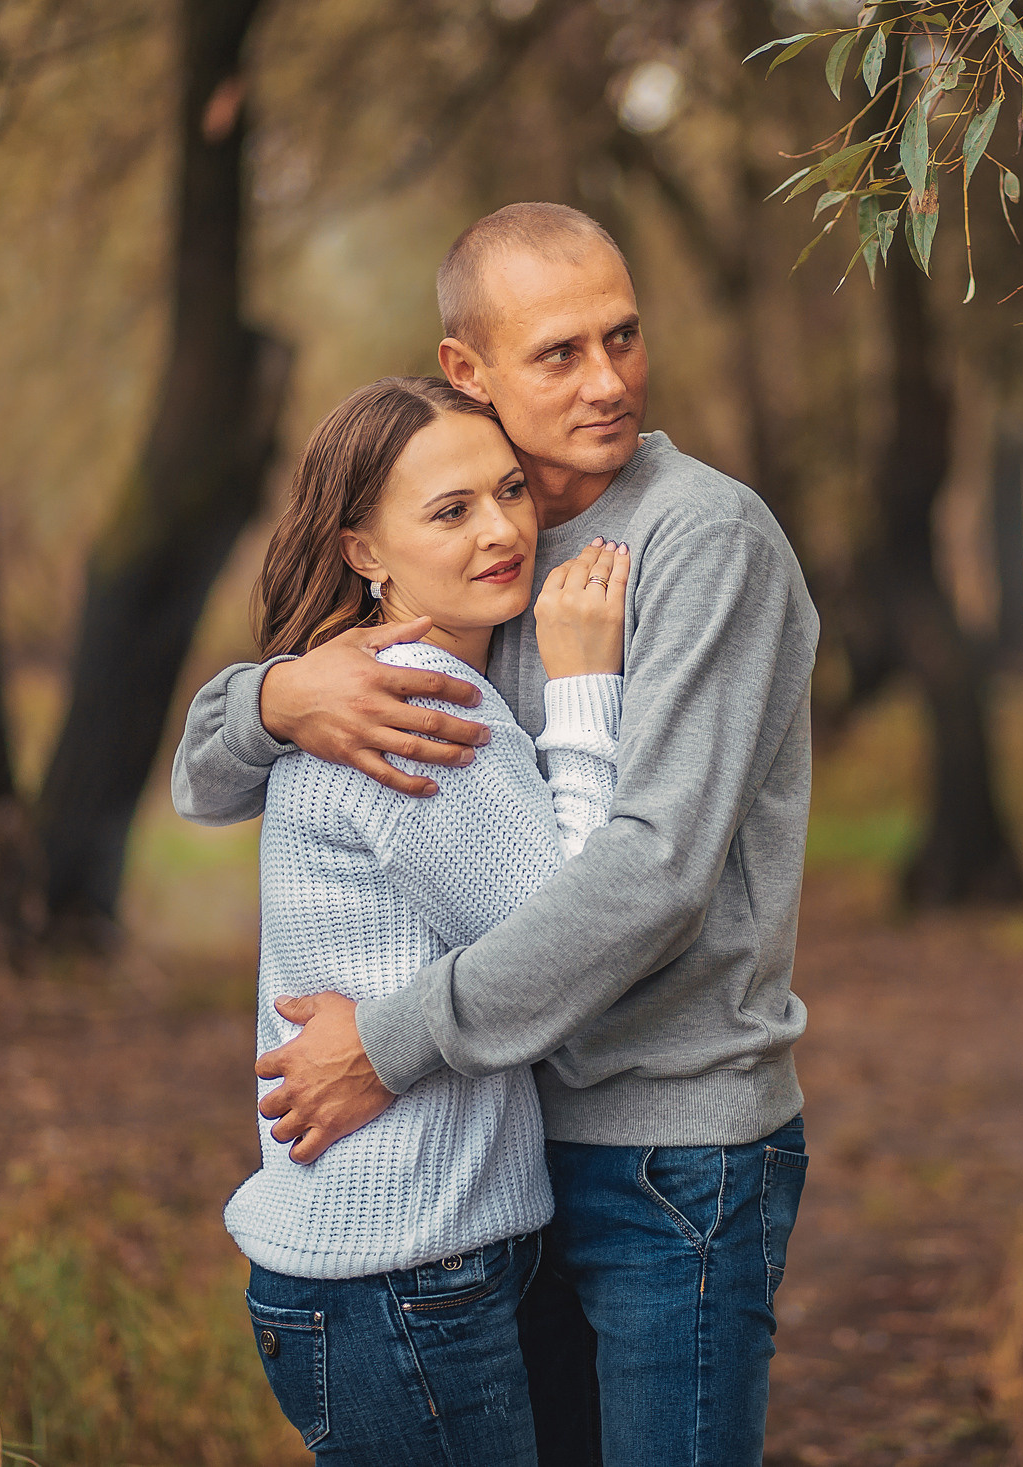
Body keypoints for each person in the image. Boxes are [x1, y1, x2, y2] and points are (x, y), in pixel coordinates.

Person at [172, 201, 818, 1465]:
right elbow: (207, 781)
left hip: (667, 1147)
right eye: (559, 353)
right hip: (506, 1161)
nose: (607, 381)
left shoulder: (703, 540)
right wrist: (278, 695)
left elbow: (651, 877)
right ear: (466, 368)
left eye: (622, 336)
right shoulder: (469, 540)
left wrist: (391, 1046)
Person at [227, 372, 633, 1464]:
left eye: (510, 491)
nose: (501, 530)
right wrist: (584, 690)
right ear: (364, 549)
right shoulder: (416, 704)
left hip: (406, 1267)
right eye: (451, 511)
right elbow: (571, 942)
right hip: (402, 1275)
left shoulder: (381, 682)